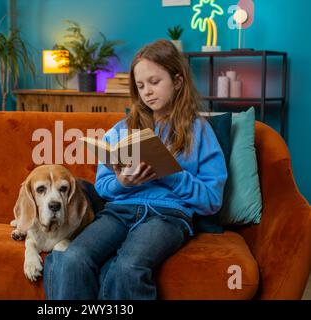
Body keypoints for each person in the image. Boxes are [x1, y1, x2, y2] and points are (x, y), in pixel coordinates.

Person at [43, 39, 228, 300]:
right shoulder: (121, 129)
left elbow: (212, 201)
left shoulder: (199, 130)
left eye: (154, 82)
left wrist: (172, 174)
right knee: (73, 256)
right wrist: (122, 181)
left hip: (168, 216)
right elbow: (103, 187)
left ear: (177, 82)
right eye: (141, 86)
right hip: (119, 212)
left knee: (127, 267)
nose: (147, 92)